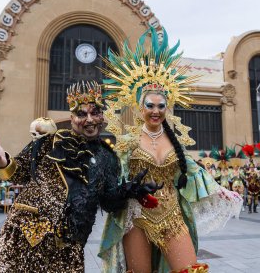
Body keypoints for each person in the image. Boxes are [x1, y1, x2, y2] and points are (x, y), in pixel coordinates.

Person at [0, 81, 159, 272]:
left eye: (94, 112)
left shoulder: (108, 158)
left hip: (68, 246)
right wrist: (2, 161)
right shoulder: (51, 141)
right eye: (81, 114)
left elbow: (108, 201)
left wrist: (131, 190)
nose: (89, 119)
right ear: (72, 118)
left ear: (102, 116)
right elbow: (19, 173)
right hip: (26, 233)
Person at [98, 27, 242, 272]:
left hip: (172, 215)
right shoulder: (127, 142)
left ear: (168, 106)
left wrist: (221, 191)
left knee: (189, 269)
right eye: (150, 105)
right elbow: (114, 178)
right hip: (136, 217)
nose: (156, 110)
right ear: (139, 106)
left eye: (161, 105)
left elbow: (195, 172)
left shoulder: (175, 142)